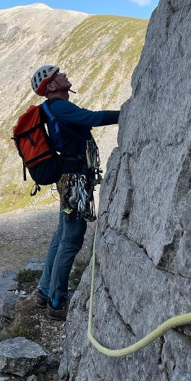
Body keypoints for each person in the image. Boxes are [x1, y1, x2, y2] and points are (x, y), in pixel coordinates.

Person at [30, 64, 120, 320]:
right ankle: (56, 302)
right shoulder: (59, 107)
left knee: (62, 235)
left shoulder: (51, 108)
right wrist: (127, 112)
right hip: (75, 179)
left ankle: (45, 290)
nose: (64, 74)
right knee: (71, 239)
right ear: (51, 86)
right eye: (57, 74)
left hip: (68, 177)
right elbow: (91, 119)